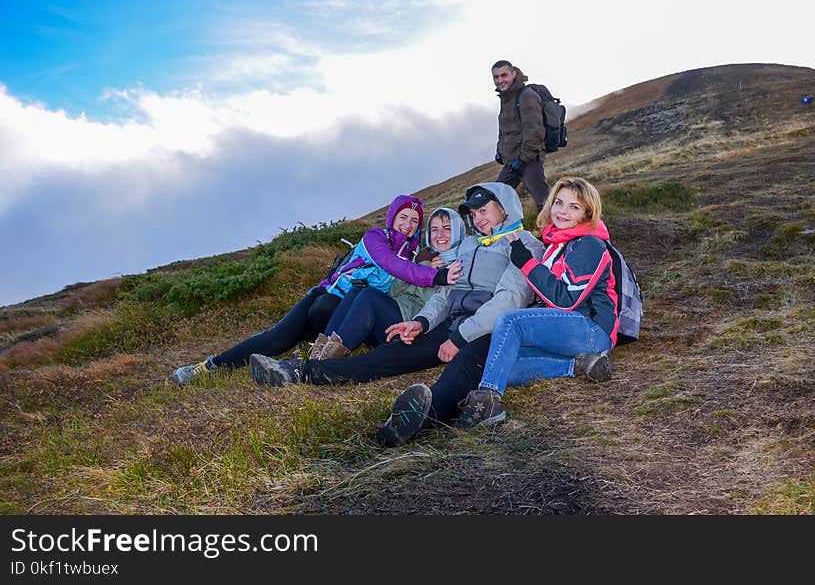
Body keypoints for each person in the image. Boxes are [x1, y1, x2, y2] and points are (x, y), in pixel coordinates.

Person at [247, 183, 544, 448]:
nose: (478, 219)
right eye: (473, 213)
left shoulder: (525, 244)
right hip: (451, 323)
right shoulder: (470, 245)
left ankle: (418, 418)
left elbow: (509, 299)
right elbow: (445, 294)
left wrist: (459, 337)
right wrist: (421, 322)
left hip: (488, 331)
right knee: (388, 355)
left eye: (484, 210)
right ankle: (303, 371)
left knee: (461, 370)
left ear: (505, 208)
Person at [171, 194, 462, 384]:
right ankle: (209, 366)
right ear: (392, 218)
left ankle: (311, 362)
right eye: (403, 218)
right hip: (325, 300)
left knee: (362, 296)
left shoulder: (415, 254)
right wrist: (436, 276)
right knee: (275, 338)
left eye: (414, 221)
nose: (409, 225)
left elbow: (404, 286)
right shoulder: (377, 238)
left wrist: (427, 264)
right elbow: (392, 267)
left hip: (349, 313)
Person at [454, 176, 619, 430]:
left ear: (587, 213)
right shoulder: (558, 243)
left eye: (574, 207)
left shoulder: (589, 245)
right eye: (559, 202)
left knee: (511, 321)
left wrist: (526, 263)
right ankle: (581, 364)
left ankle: (488, 401)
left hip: (592, 330)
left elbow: (566, 300)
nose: (562, 211)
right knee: (500, 363)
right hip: (567, 334)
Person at [306, 207, 467, 361]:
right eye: (434, 229)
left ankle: (327, 360)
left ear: (458, 231)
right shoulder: (424, 257)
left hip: (411, 326)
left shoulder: (463, 262)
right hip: (391, 316)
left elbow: (441, 304)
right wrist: (422, 265)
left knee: (369, 296)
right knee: (357, 291)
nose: (440, 234)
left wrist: (435, 275)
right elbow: (395, 290)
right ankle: (320, 352)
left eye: (447, 228)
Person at [491, 59, 550, 210]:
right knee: (496, 195)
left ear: (514, 73)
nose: (500, 80)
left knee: (544, 200)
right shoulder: (507, 98)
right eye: (496, 77)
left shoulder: (526, 96)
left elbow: (535, 132)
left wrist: (523, 160)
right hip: (512, 160)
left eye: (504, 75)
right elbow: (505, 129)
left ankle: (561, 231)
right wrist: (500, 151)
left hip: (529, 159)